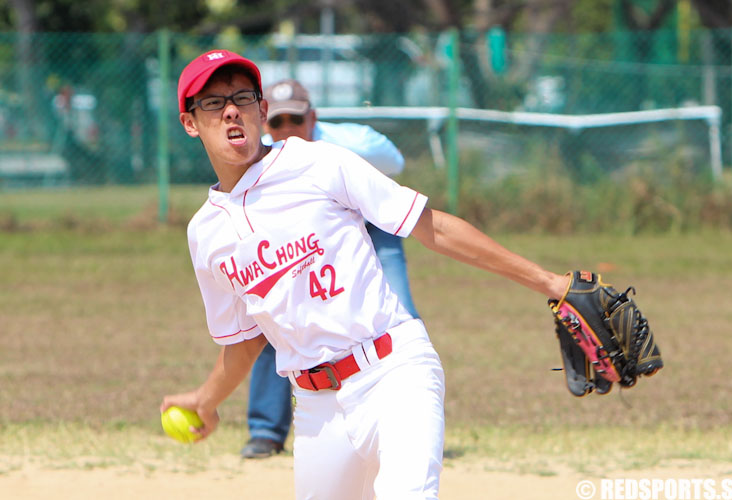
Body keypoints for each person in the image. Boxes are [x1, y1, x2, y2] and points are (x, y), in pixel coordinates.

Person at [161, 49, 568, 500]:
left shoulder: (317, 164)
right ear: (190, 122)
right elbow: (245, 339)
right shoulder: (206, 233)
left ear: (262, 110)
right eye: (213, 102)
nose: (231, 109)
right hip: (317, 409)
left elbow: (432, 227)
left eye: (242, 96)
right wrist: (207, 399)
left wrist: (551, 283)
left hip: (393, 372)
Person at [240, 78, 420, 459]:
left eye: (295, 118)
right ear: (264, 123)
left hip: (372, 224)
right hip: (307, 234)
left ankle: (407, 424)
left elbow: (396, 163)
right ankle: (265, 431)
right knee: (278, 320)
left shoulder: (355, 143)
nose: (287, 128)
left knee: (402, 313)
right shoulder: (259, 156)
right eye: (277, 121)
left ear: (313, 118)